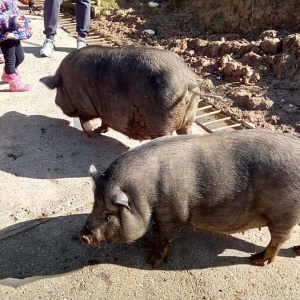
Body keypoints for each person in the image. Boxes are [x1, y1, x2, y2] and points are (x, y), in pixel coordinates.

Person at [0, 0, 32, 92]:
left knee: (20, 57)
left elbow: (15, 9)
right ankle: (13, 83)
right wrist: (13, 21)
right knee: (10, 59)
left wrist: (24, 20)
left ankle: (8, 73)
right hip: (5, 35)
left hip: (15, 33)